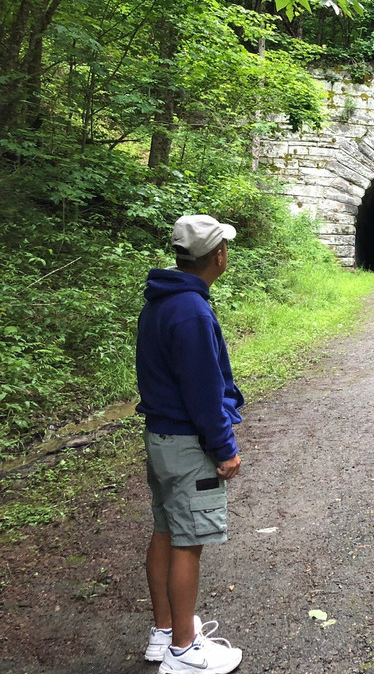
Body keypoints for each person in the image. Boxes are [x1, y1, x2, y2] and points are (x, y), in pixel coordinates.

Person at [136, 215, 245, 674]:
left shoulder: (162, 300)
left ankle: (165, 633)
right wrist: (224, 448)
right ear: (217, 255)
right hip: (186, 444)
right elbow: (202, 392)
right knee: (189, 542)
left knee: (165, 530)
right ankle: (184, 652)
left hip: (162, 437)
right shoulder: (192, 311)